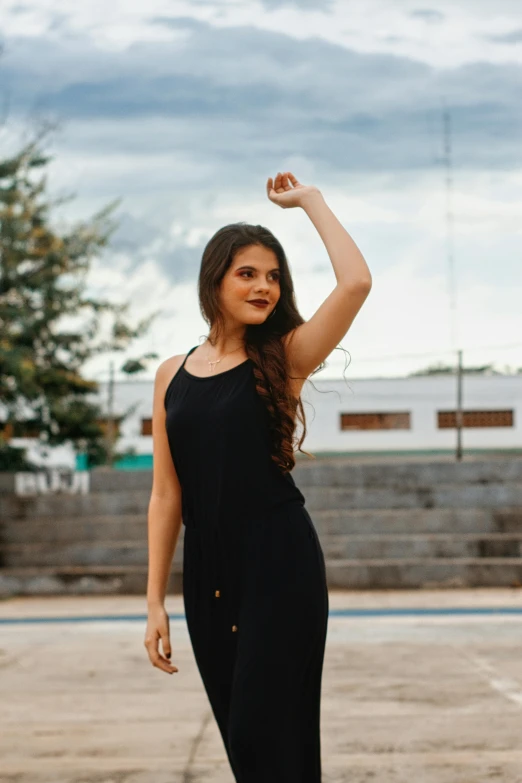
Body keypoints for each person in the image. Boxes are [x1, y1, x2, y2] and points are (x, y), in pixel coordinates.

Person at [144, 171, 372, 781]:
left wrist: (311, 203)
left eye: (274, 276)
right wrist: (153, 600)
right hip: (209, 571)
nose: (264, 286)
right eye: (247, 273)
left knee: (263, 727)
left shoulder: (285, 358)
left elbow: (356, 283)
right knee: (245, 746)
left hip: (279, 562)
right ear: (213, 279)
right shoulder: (171, 374)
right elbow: (167, 493)